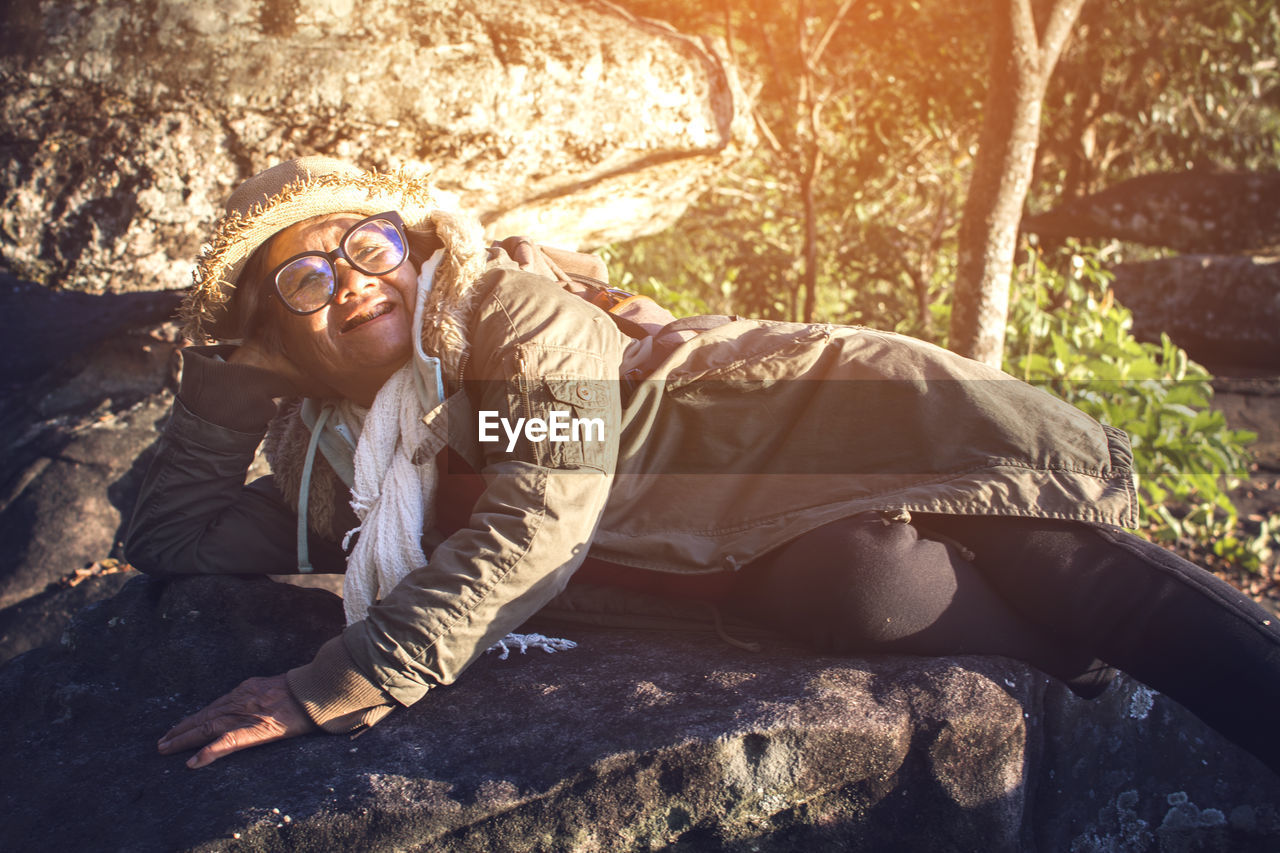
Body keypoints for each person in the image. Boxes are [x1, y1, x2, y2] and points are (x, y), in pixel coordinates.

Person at [127, 157, 1280, 775]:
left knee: (1074, 574)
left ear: (414, 241)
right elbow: (172, 540)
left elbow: (539, 523)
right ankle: (1096, 675)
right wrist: (240, 378)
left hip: (853, 425)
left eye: (362, 242)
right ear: (279, 336)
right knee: (859, 593)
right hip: (754, 551)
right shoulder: (355, 481)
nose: (352, 275)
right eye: (304, 282)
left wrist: (327, 685)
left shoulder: (509, 312)